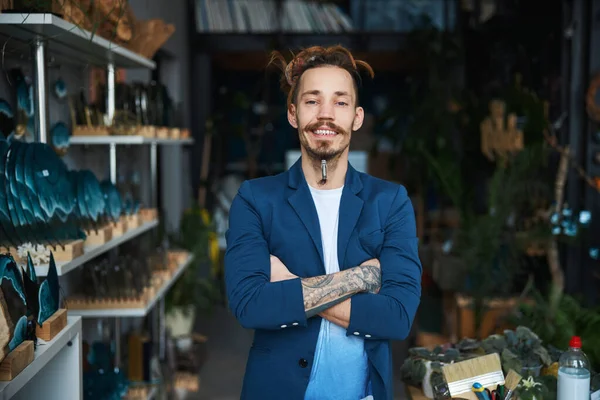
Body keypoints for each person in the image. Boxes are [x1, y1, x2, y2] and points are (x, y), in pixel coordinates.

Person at [224, 45, 422, 400]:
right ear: (293, 114)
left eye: (340, 102)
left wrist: (291, 286)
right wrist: (361, 279)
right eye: (312, 101)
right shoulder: (255, 199)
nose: (325, 115)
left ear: (357, 117)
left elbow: (397, 316)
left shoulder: (390, 202)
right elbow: (249, 305)